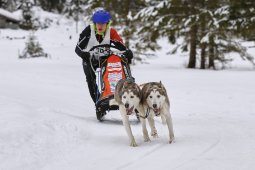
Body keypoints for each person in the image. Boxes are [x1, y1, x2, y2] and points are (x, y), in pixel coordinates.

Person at [75, 9, 133, 105]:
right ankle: (98, 103)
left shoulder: (112, 32)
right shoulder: (88, 31)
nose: (100, 26)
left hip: (105, 59)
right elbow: (77, 48)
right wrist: (83, 54)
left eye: (103, 24)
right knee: (91, 80)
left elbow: (121, 46)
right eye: (98, 23)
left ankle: (117, 93)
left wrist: (128, 52)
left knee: (111, 74)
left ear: (107, 24)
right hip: (89, 58)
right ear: (94, 23)